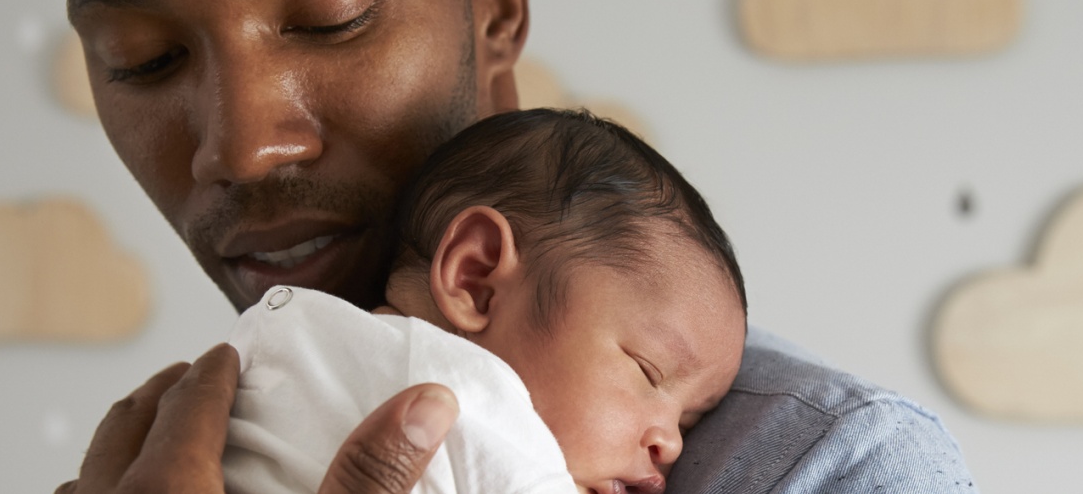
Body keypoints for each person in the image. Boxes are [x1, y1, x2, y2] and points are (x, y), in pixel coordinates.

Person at [51, 0, 979, 491]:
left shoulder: (829, 468)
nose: (243, 147)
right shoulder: (173, 449)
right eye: (141, 58)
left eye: (330, 16)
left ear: (491, 4)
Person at [224, 109, 746, 494]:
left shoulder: (297, 344)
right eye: (649, 370)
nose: (672, 446)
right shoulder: (470, 405)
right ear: (476, 280)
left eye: (689, 423)